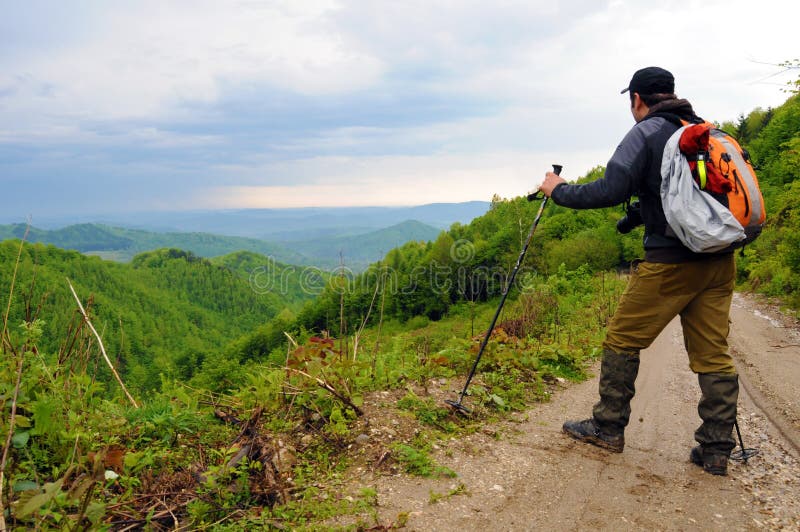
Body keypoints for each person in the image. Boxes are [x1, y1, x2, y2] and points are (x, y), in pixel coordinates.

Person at [537, 66, 739, 476]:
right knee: (713, 354)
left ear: (637, 99)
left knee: (622, 339)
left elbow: (609, 188)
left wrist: (557, 190)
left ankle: (607, 427)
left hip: (671, 262)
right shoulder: (700, 130)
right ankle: (716, 449)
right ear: (671, 92)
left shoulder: (647, 132)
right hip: (719, 260)